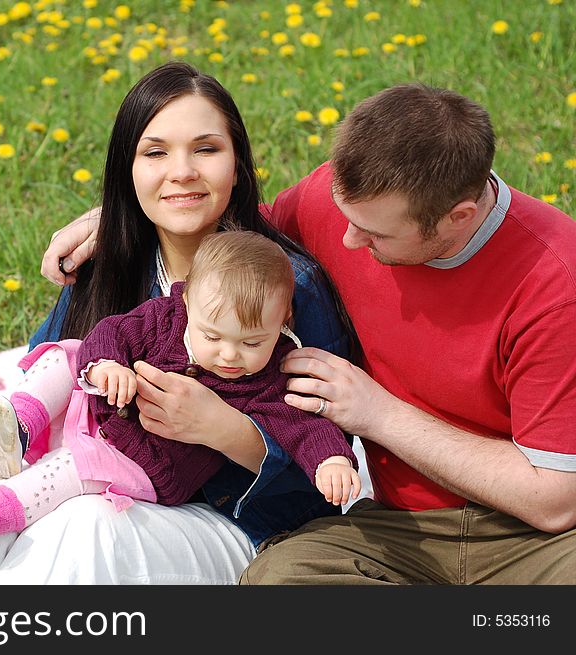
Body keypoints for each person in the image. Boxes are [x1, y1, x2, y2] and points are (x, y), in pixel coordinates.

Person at [47, 82, 576, 584]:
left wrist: (377, 412)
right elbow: (247, 243)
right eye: (343, 215)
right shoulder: (346, 201)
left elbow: (554, 500)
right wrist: (120, 216)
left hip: (534, 539)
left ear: (458, 218)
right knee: (279, 581)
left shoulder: (556, 285)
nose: (345, 239)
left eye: (373, 234)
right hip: (397, 525)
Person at [0, 61, 363, 584]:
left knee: (88, 528)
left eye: (206, 149)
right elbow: (46, 381)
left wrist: (224, 430)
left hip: (229, 521)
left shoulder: (287, 289)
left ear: (238, 164)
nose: (181, 171)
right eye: (155, 152)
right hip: (97, 473)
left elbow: (325, 471)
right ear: (127, 169)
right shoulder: (109, 263)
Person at [0, 231, 359, 560]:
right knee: (70, 353)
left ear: (283, 321)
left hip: (148, 465)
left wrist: (332, 459)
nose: (230, 355)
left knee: (68, 469)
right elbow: (112, 331)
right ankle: (18, 426)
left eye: (251, 343)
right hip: (103, 409)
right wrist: (107, 366)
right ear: (188, 300)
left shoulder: (267, 379)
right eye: (212, 336)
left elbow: (305, 428)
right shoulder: (164, 317)